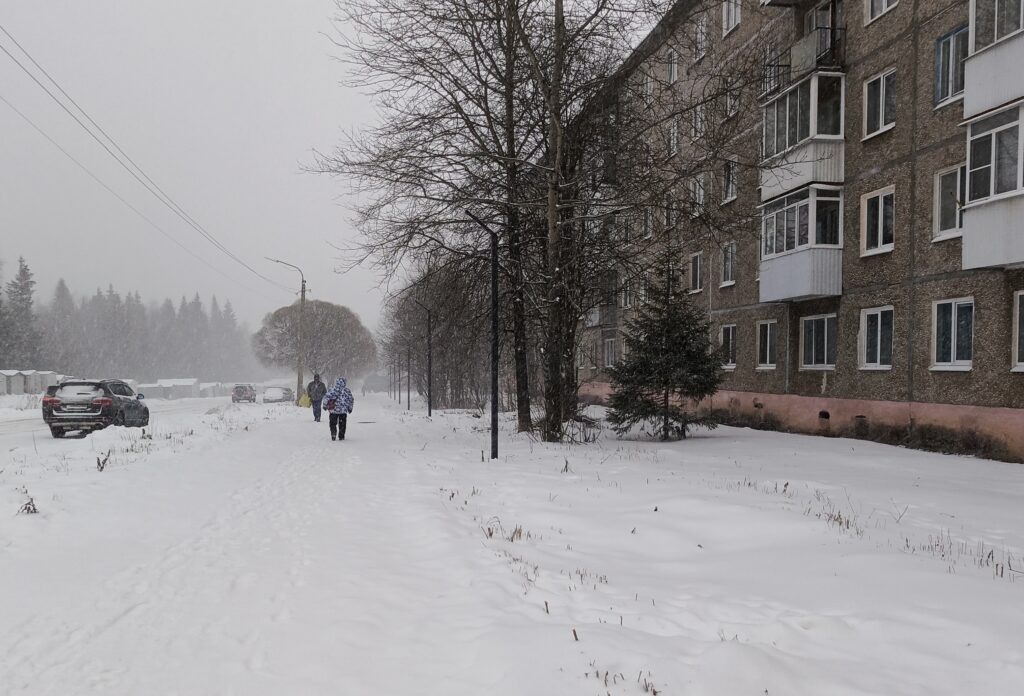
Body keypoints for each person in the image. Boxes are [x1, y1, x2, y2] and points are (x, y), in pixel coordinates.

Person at [323, 377, 355, 441]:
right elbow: (350, 400)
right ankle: (341, 435)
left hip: (333, 411)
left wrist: (324, 405)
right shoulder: (347, 391)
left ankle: (333, 433)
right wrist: (350, 408)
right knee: (342, 424)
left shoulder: (332, 390)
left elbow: (326, 397)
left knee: (332, 423)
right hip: (343, 411)